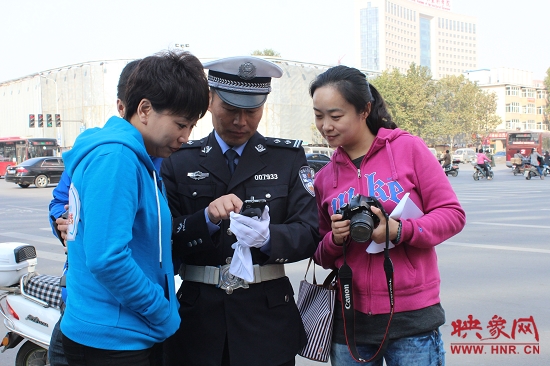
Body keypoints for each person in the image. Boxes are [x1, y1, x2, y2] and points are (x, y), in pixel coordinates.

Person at [162, 56, 320, 366]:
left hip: (267, 320)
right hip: (199, 322)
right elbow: (162, 235)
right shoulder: (180, 160)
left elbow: (311, 231)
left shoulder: (286, 158)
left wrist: (267, 238)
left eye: (252, 111)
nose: (241, 122)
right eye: (231, 110)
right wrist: (204, 221)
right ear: (210, 100)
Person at [59, 50, 210, 366]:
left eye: (192, 126)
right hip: (112, 341)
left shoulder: (137, 159)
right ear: (144, 109)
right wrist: (162, 310)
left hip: (125, 332)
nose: (185, 137)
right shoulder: (117, 159)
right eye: (181, 124)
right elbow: (106, 258)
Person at [309, 65, 465, 366]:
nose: (325, 125)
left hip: (411, 321)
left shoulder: (409, 149)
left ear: (364, 110)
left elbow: (452, 215)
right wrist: (334, 239)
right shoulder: (324, 178)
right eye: (318, 115)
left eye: (335, 115)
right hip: (350, 320)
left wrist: (398, 230)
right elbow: (320, 252)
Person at [47, 59, 155, 366]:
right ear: (123, 106)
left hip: (130, 318)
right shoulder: (100, 154)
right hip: (79, 308)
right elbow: (58, 202)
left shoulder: (163, 160)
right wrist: (63, 221)